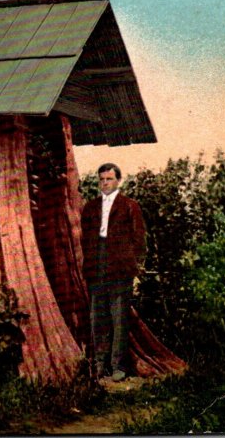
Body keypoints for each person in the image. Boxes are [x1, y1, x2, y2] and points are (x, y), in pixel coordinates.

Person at [81, 163, 146, 382]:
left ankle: (118, 366)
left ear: (118, 180)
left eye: (109, 179)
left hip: (120, 270)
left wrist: (135, 269)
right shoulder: (90, 207)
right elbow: (84, 240)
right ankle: (100, 365)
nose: (104, 183)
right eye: (101, 179)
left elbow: (139, 241)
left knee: (119, 320)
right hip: (96, 269)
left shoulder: (130, 206)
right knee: (98, 319)